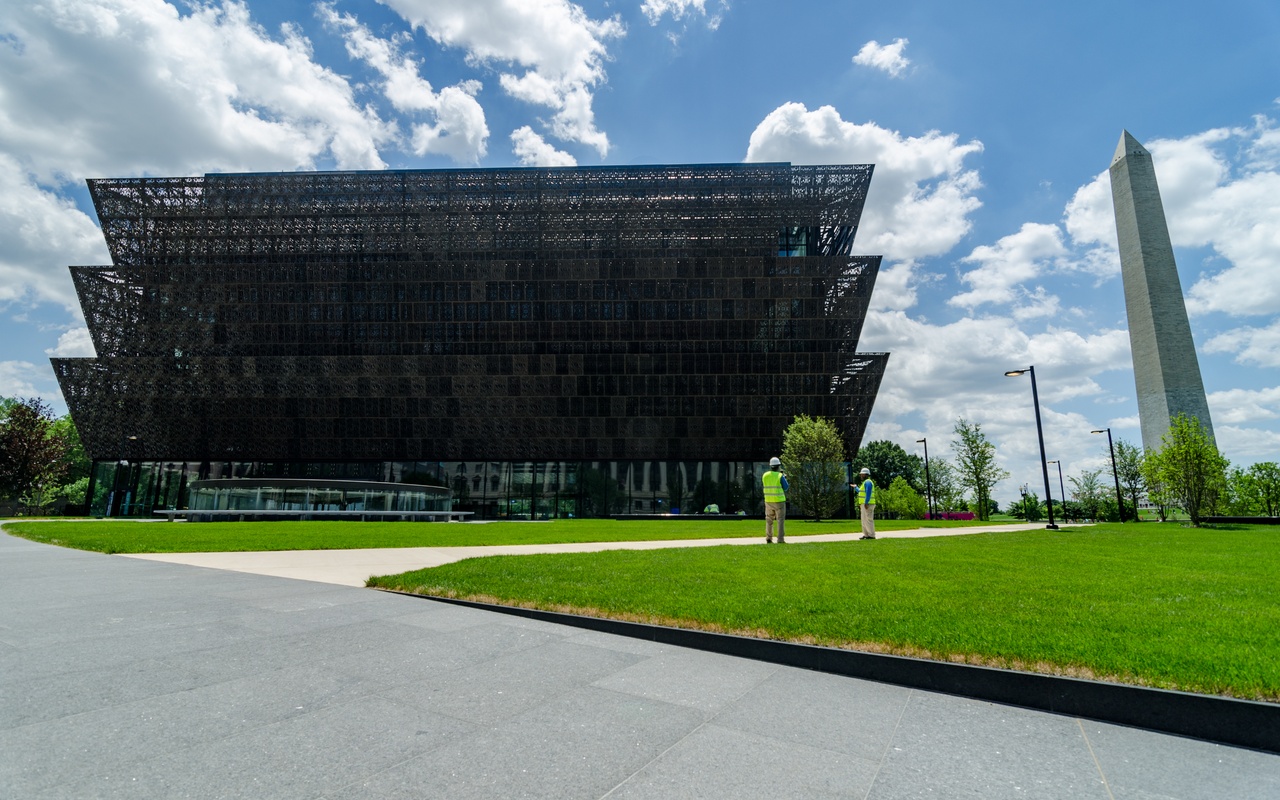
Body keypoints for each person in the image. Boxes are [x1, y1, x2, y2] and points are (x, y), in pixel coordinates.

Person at [762, 457, 789, 543]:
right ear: (778, 466)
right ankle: (780, 539)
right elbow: (786, 487)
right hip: (779, 501)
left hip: (768, 501)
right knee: (780, 520)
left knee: (769, 520)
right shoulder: (780, 476)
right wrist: (784, 477)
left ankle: (769, 538)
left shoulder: (765, 475)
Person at [853, 467, 876, 539]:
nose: (860, 476)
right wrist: (855, 487)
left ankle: (871, 535)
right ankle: (866, 534)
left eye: (862, 474)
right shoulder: (865, 483)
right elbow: (861, 492)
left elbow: (868, 493)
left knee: (868, 519)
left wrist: (866, 502)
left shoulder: (868, 482)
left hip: (868, 504)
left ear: (866, 475)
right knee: (864, 520)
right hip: (864, 504)